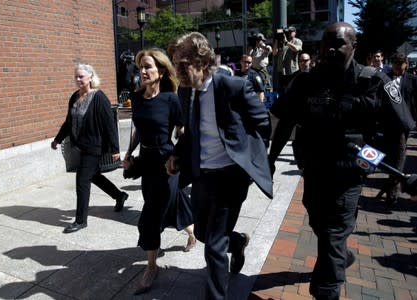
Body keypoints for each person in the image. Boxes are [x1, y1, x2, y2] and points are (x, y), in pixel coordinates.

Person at [269, 22, 415, 299]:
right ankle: (340, 255)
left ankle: (327, 289)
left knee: (333, 232)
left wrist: (394, 179)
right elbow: (285, 121)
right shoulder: (307, 80)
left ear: (354, 46)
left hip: (349, 174)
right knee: (320, 225)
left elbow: (400, 131)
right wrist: (270, 159)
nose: (331, 49)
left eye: (339, 43)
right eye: (327, 43)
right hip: (313, 170)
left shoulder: (373, 80)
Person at [165, 32, 273, 300]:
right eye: (174, 63)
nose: (177, 70)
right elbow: (190, 132)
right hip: (202, 175)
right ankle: (237, 242)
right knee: (202, 232)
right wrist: (178, 154)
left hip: (230, 177)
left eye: (183, 64)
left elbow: (262, 123)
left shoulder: (232, 86)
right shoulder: (186, 91)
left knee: (213, 245)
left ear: (203, 62)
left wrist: (249, 160)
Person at [122, 48, 196, 295]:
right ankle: (192, 234)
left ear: (161, 71)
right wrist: (128, 153)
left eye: (148, 67)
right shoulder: (138, 98)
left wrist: (177, 156)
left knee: (150, 216)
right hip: (146, 162)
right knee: (171, 204)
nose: (142, 71)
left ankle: (151, 267)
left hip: (167, 163)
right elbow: (137, 129)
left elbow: (183, 131)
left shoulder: (171, 99)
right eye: (140, 67)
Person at [51, 63, 128, 233]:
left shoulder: (99, 97)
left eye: (81, 76)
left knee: (82, 181)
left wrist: (115, 149)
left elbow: (109, 124)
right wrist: (58, 139)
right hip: (81, 146)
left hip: (95, 146)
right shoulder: (74, 97)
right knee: (94, 176)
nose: (78, 79)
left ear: (91, 77)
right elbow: (68, 121)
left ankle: (80, 220)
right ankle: (119, 195)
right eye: (76, 76)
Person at [376, 52, 417, 204]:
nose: (397, 69)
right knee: (388, 156)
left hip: (402, 124)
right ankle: (389, 183)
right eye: (395, 65)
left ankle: (392, 192)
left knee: (400, 154)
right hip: (386, 122)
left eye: (400, 65)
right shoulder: (385, 77)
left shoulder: (412, 80)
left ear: (406, 64)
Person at [268, 52, 312, 175]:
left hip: (308, 117)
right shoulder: (295, 77)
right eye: (301, 61)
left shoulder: (315, 76)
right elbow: (286, 94)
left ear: (310, 61)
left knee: (300, 144)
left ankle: (303, 166)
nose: (304, 63)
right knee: (282, 136)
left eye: (306, 60)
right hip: (292, 113)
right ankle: (271, 161)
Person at [272, 26, 303, 93]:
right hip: (282, 71)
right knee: (282, 92)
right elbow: (274, 53)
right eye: (288, 32)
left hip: (293, 71)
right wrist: (277, 40)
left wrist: (286, 42)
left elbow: (296, 49)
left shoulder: (297, 41)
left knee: (293, 91)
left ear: (295, 33)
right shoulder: (281, 41)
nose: (289, 33)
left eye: (291, 31)